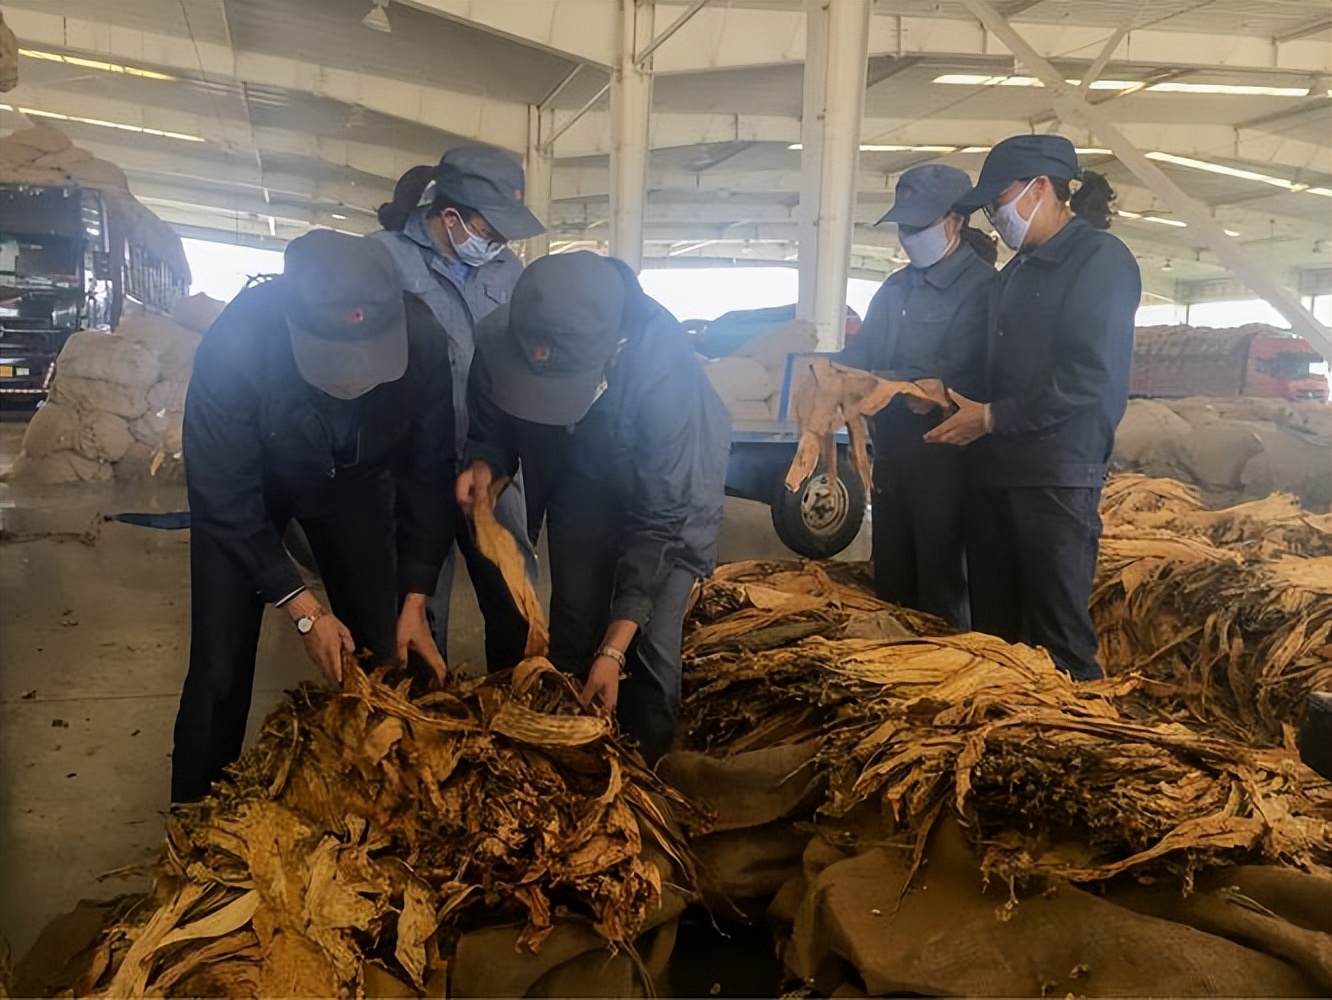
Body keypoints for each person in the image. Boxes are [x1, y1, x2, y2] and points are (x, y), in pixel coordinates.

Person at [173, 231, 455, 802]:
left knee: (381, 648)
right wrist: (302, 609)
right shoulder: (237, 342)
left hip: (351, 482)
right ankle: (196, 817)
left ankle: (380, 802)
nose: (350, 380)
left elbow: (430, 470)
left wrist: (417, 593)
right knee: (220, 662)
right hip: (253, 484)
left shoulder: (423, 337)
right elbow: (222, 496)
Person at [457, 252, 731, 764]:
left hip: (668, 502)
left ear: (609, 352)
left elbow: (660, 520)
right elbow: (494, 426)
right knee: (573, 635)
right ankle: (571, 772)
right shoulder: (502, 337)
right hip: (578, 486)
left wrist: (614, 648)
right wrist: (487, 466)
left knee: (647, 653)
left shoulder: (658, 359)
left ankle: (646, 780)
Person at [926, 134, 1141, 681]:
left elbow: (1088, 377)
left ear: (1040, 188)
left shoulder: (1101, 262)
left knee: (1058, 638)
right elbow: (993, 369)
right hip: (999, 471)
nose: (996, 217)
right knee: (997, 639)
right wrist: (939, 390)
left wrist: (994, 416)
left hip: (1056, 477)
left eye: (999, 202)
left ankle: (1081, 746)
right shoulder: (1014, 273)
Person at [371, 149, 545, 672]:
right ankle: (429, 719)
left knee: (517, 598)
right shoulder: (383, 260)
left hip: (490, 465)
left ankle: (517, 703)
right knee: (420, 604)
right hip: (410, 469)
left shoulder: (510, 271)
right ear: (450, 217)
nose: (497, 245)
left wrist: (498, 459)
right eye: (489, 230)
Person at [839, 164, 996, 628]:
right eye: (904, 225)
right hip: (893, 458)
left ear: (956, 220)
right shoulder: (894, 289)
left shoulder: (985, 288)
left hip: (949, 464)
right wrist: (831, 373)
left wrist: (934, 386)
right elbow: (862, 353)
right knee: (892, 581)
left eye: (920, 225)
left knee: (942, 585)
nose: (909, 236)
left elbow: (978, 371)